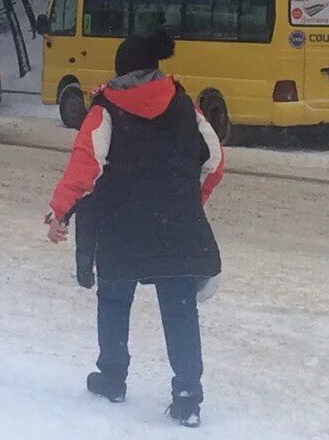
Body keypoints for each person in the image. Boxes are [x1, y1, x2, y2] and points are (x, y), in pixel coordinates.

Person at [47, 30, 225, 428]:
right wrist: (192, 201)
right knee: (180, 309)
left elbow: (84, 168)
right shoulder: (185, 106)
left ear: (119, 68)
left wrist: (59, 212)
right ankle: (187, 396)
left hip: (120, 226)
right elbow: (214, 161)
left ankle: (112, 378)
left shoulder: (104, 110)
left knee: (113, 299)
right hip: (176, 225)